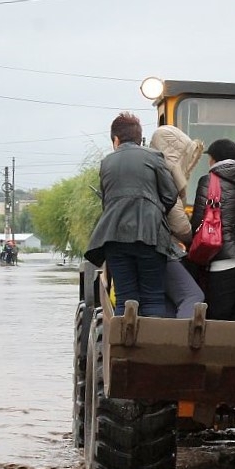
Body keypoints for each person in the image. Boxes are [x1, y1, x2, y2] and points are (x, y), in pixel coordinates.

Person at [84, 111, 178, 317]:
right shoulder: (154, 157)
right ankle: (153, 338)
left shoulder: (106, 163)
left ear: (116, 140)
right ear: (139, 138)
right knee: (153, 297)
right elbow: (170, 196)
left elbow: (107, 202)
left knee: (125, 298)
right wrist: (153, 214)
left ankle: (122, 338)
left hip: (114, 236)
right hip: (151, 237)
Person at [190, 138, 235, 321]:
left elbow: (197, 223)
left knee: (218, 320)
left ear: (213, 159)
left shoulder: (208, 181)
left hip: (220, 259)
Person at [148, 125, 206, 318]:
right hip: (163, 248)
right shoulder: (167, 178)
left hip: (144, 246)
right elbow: (180, 225)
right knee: (193, 296)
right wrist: (192, 236)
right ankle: (180, 337)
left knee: (167, 305)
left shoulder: (149, 172)